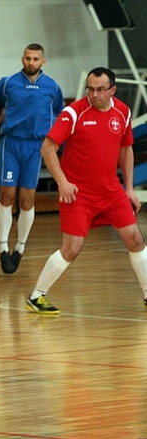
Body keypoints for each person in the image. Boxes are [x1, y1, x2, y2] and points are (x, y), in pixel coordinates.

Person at [25, 67, 147, 314]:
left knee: (135, 239)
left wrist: (129, 188)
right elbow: (48, 148)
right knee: (71, 249)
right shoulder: (74, 113)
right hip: (78, 194)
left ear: (112, 89)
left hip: (111, 191)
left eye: (100, 89)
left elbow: (126, 149)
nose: (94, 94)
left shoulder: (122, 111)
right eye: (90, 89)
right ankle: (37, 296)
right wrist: (62, 182)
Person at [0, 43, 64, 274]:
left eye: (35, 59)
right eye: (27, 58)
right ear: (22, 59)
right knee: (6, 195)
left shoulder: (52, 86)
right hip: (11, 143)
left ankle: (20, 248)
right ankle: (3, 249)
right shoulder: (8, 83)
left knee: (27, 200)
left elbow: (59, 115)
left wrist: (55, 141)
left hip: (36, 146)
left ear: (43, 61)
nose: (30, 62)